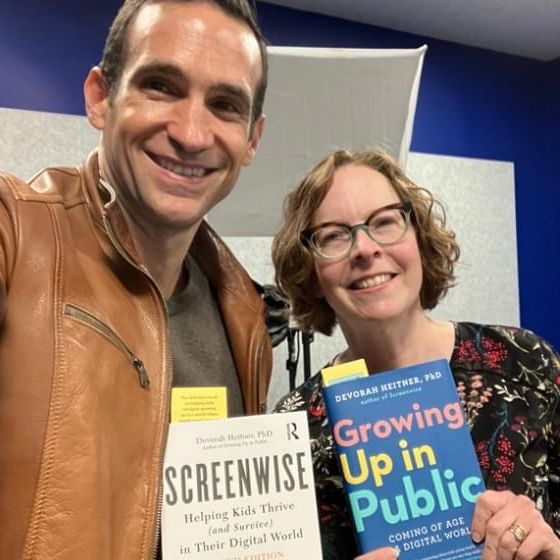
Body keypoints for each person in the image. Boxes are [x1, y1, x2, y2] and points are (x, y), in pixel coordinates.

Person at [0, 1, 272, 558]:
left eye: (224, 105)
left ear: (252, 140)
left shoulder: (243, 314)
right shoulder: (15, 234)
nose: (192, 133)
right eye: (161, 87)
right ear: (100, 97)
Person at [272, 147, 560, 560]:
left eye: (385, 222)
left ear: (419, 240)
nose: (364, 249)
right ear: (311, 273)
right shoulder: (294, 427)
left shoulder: (525, 363)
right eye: (333, 235)